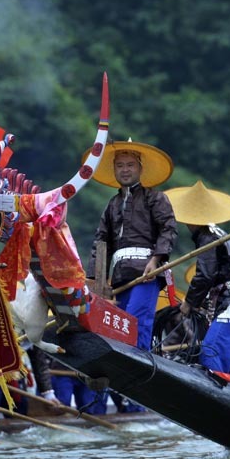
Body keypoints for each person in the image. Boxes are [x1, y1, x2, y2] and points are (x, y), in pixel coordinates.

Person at [86, 139, 177, 353]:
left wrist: (155, 261)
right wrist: (95, 280)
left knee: (137, 322)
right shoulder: (112, 205)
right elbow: (101, 243)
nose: (125, 170)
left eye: (130, 165)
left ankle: (140, 370)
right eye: (120, 166)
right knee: (120, 327)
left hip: (147, 272)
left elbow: (168, 229)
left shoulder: (155, 198)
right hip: (120, 277)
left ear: (140, 169)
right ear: (114, 170)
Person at [164, 180, 230, 382]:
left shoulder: (208, 236)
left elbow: (205, 275)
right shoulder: (216, 233)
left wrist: (189, 302)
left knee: (211, 352)